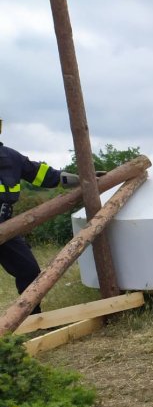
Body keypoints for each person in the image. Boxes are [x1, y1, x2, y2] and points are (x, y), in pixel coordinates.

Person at [0, 118, 81, 314]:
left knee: (28, 270)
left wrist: (82, 179)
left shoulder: (10, 157)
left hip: (6, 226)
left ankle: (32, 321)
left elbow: (43, 174)